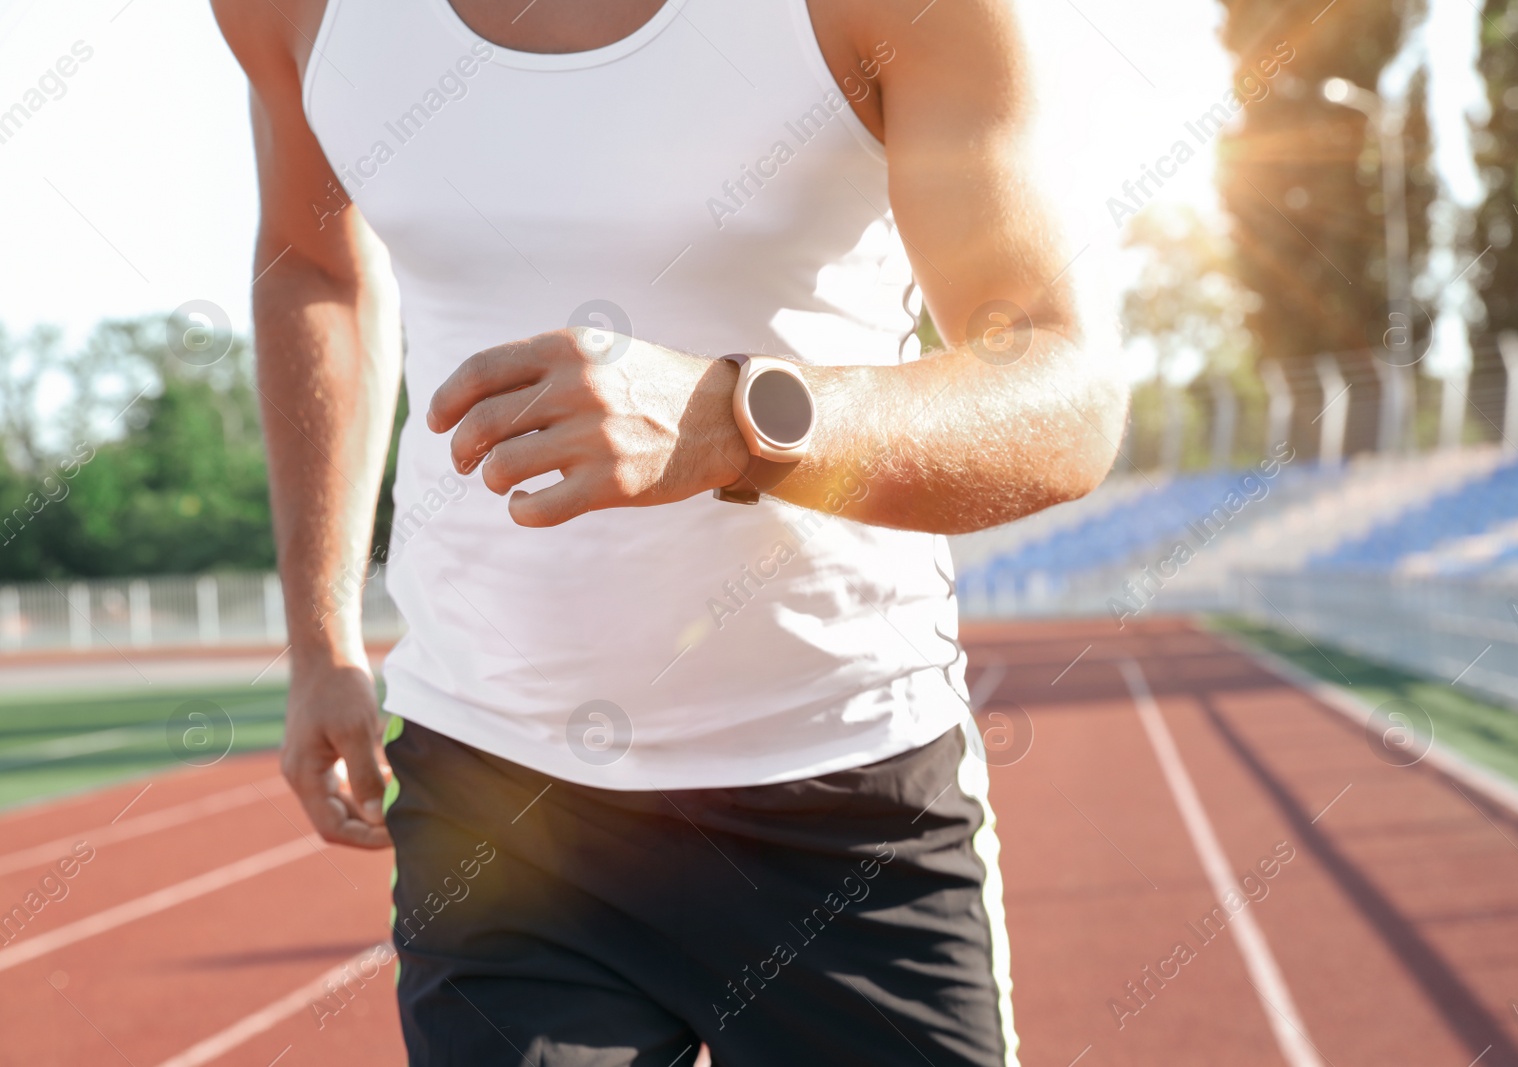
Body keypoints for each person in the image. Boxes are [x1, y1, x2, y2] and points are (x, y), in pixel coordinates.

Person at [211, 0, 1125, 1062]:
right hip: (495, 797)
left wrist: (733, 421)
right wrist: (320, 631)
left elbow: (1064, 396)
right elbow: (311, 265)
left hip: (838, 784)